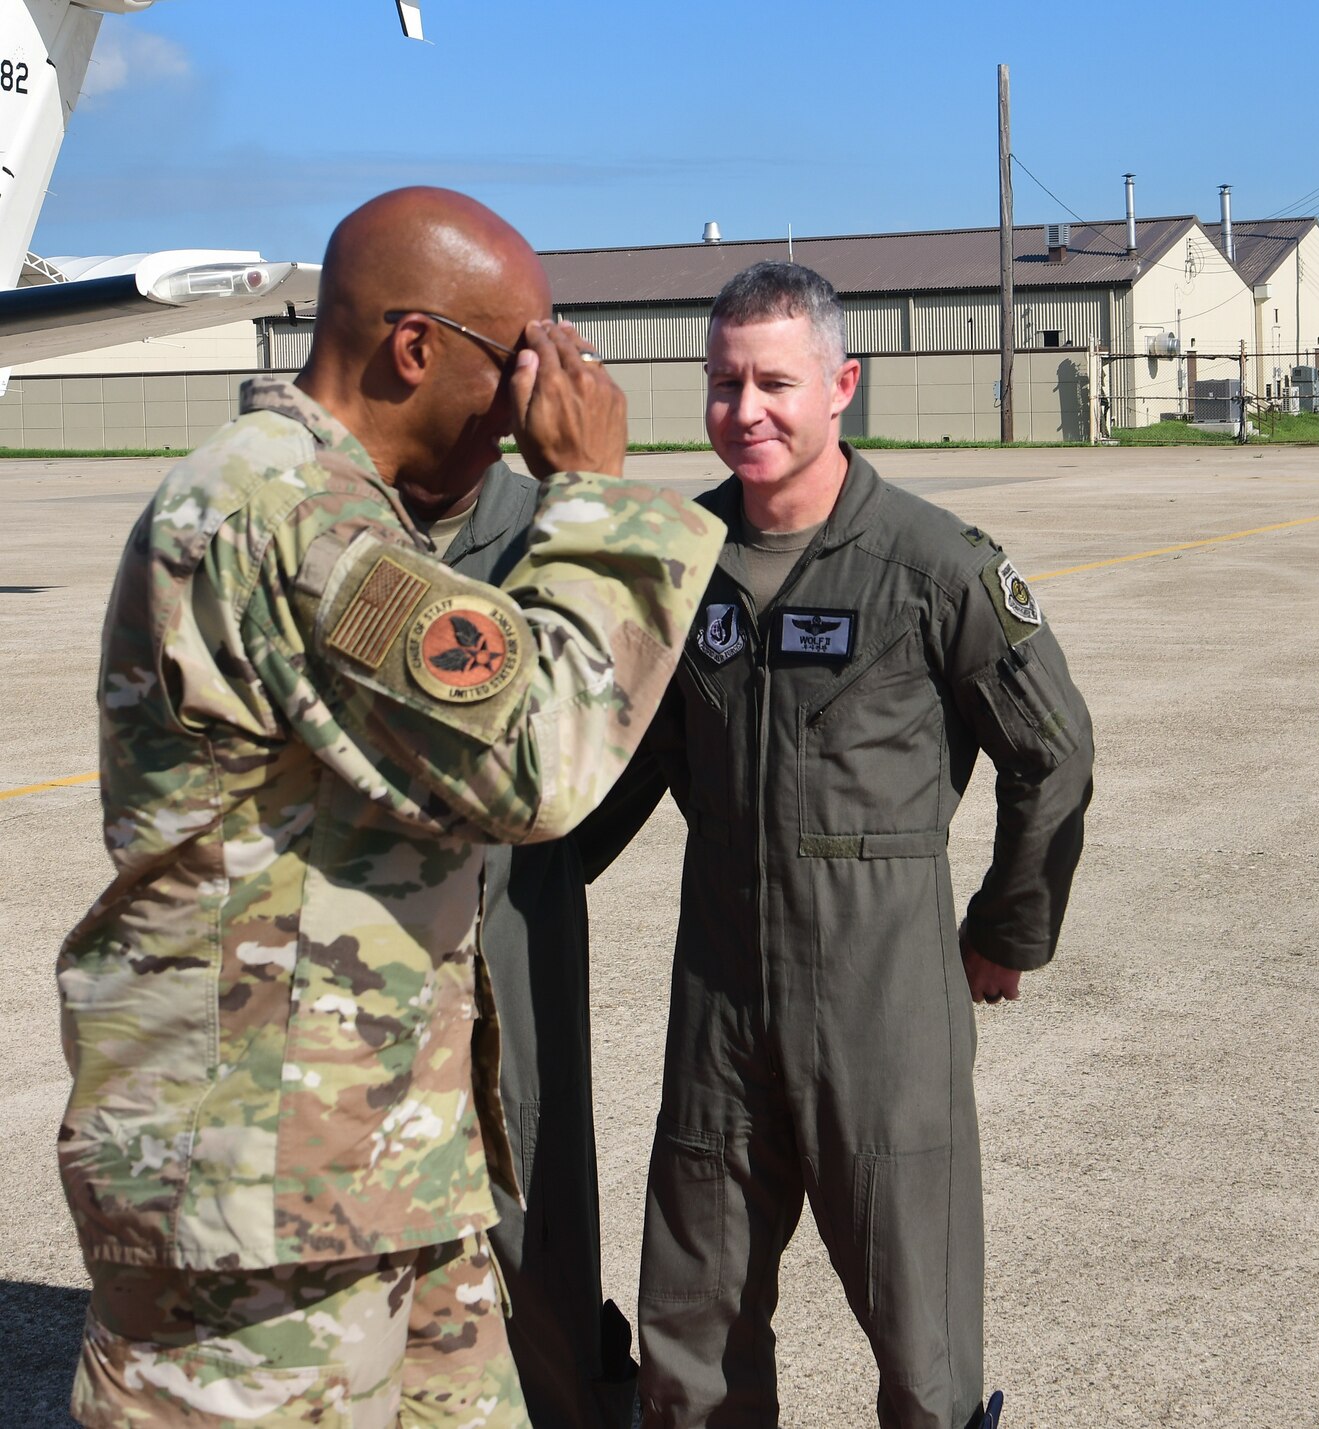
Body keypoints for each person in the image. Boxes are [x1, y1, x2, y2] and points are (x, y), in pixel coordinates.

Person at [56, 187, 723, 1427]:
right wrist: (592, 493)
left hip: (373, 1171)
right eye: (521, 360)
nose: (538, 398)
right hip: (257, 1209)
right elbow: (539, 755)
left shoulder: (345, 510)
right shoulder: (284, 512)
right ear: (414, 347)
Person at [622, 262, 1094, 1429]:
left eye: (774, 382)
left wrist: (1004, 930)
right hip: (719, 994)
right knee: (690, 1318)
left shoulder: (934, 568)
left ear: (842, 385)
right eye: (724, 384)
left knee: (917, 1329)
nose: (748, 411)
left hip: (881, 1000)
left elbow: (1054, 752)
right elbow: (614, 763)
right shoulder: (678, 562)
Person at [426, 457, 656, 1426]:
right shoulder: (338, 521)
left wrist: (542, 862)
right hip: (372, 946)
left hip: (514, 912)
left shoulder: (548, 526)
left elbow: (636, 728)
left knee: (537, 1214)